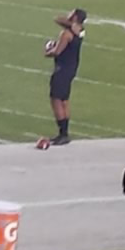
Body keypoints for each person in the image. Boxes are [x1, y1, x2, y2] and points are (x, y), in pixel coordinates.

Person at [43, 8, 86, 147]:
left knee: (56, 100)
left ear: (74, 17)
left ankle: (63, 134)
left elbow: (57, 52)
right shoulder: (80, 31)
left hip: (62, 69)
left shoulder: (66, 34)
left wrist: (48, 51)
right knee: (64, 100)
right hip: (71, 68)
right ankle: (64, 132)